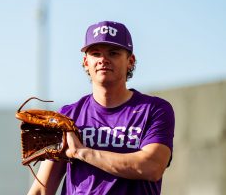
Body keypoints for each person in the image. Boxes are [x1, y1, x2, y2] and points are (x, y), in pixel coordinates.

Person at [27, 20, 175, 195]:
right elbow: (41, 190)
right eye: (95, 53)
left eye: (113, 53)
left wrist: (82, 152)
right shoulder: (67, 116)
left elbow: (152, 166)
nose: (103, 60)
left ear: (130, 61)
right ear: (85, 62)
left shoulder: (154, 109)